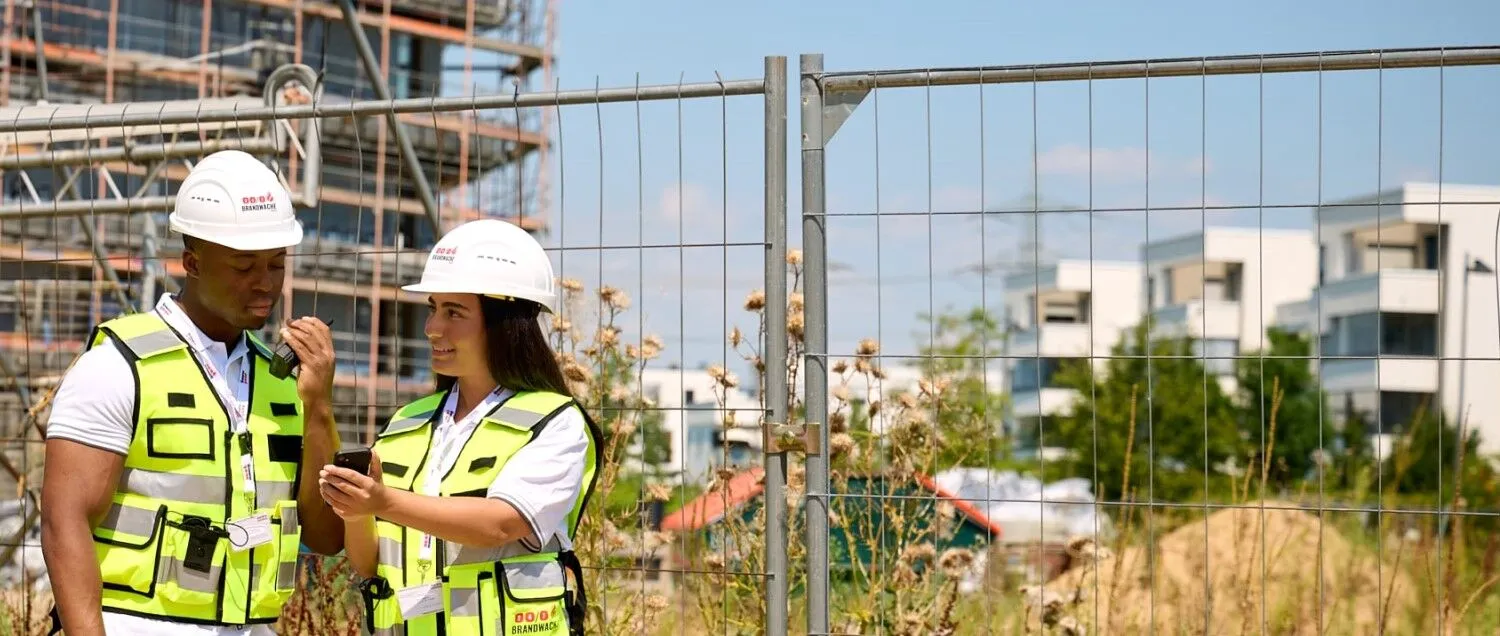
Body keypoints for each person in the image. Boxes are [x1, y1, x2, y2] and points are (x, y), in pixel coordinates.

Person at [40, 150, 346, 636]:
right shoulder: (118, 367)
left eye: (275, 264)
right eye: (244, 266)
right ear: (192, 262)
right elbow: (63, 519)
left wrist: (319, 409)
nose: (265, 283)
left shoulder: (285, 383)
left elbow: (327, 538)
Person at [318, 218, 602, 636]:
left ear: (505, 322)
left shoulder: (554, 423)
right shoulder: (407, 423)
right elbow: (369, 563)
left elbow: (501, 523)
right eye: (433, 308)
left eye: (455, 312)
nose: (433, 327)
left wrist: (381, 500)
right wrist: (358, 512)